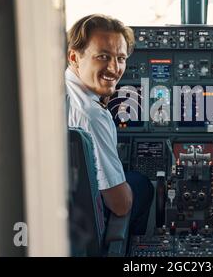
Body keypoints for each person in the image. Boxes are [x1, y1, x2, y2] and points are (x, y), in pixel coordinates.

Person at [66, 14, 153, 235]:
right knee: (142, 186)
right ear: (74, 57)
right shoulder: (91, 115)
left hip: (64, 206)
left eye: (121, 58)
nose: (114, 68)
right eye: (103, 56)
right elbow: (120, 205)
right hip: (81, 223)